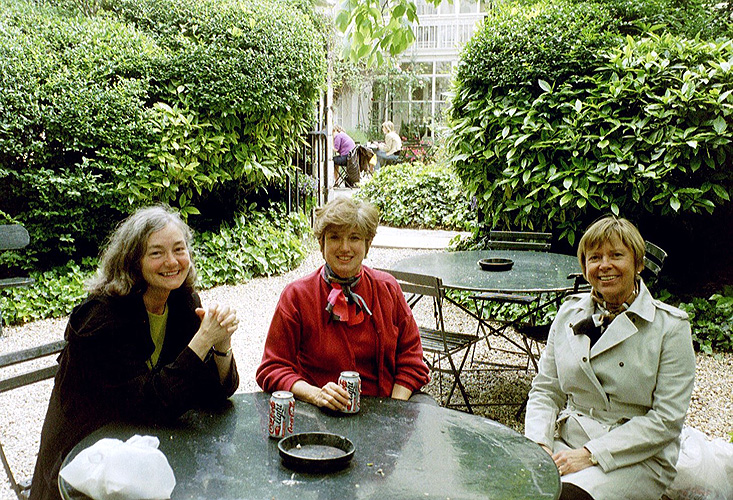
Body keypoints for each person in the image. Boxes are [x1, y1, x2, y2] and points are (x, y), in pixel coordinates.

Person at [30, 205, 240, 500]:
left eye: (179, 249)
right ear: (133, 261)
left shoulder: (182, 301)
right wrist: (203, 340)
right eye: (156, 253)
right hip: (84, 464)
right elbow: (151, 405)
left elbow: (215, 394)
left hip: (142, 453)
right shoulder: (102, 318)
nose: (171, 261)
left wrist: (221, 345)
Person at [524, 216, 695, 500]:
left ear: (638, 264)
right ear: (585, 267)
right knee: (520, 487)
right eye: (595, 257)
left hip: (636, 455)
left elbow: (666, 420)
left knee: (567, 497)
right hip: (567, 440)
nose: (605, 265)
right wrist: (539, 444)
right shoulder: (568, 314)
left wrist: (590, 455)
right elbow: (546, 390)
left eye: (617, 255)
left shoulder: (671, 327)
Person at [256, 197, 431, 410]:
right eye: (335, 237)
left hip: (387, 404)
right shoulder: (297, 296)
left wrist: (392, 411)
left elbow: (412, 360)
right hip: (320, 413)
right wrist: (316, 395)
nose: (345, 247)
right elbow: (272, 368)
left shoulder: (388, 289)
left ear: (367, 244)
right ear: (322, 244)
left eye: (354, 238)